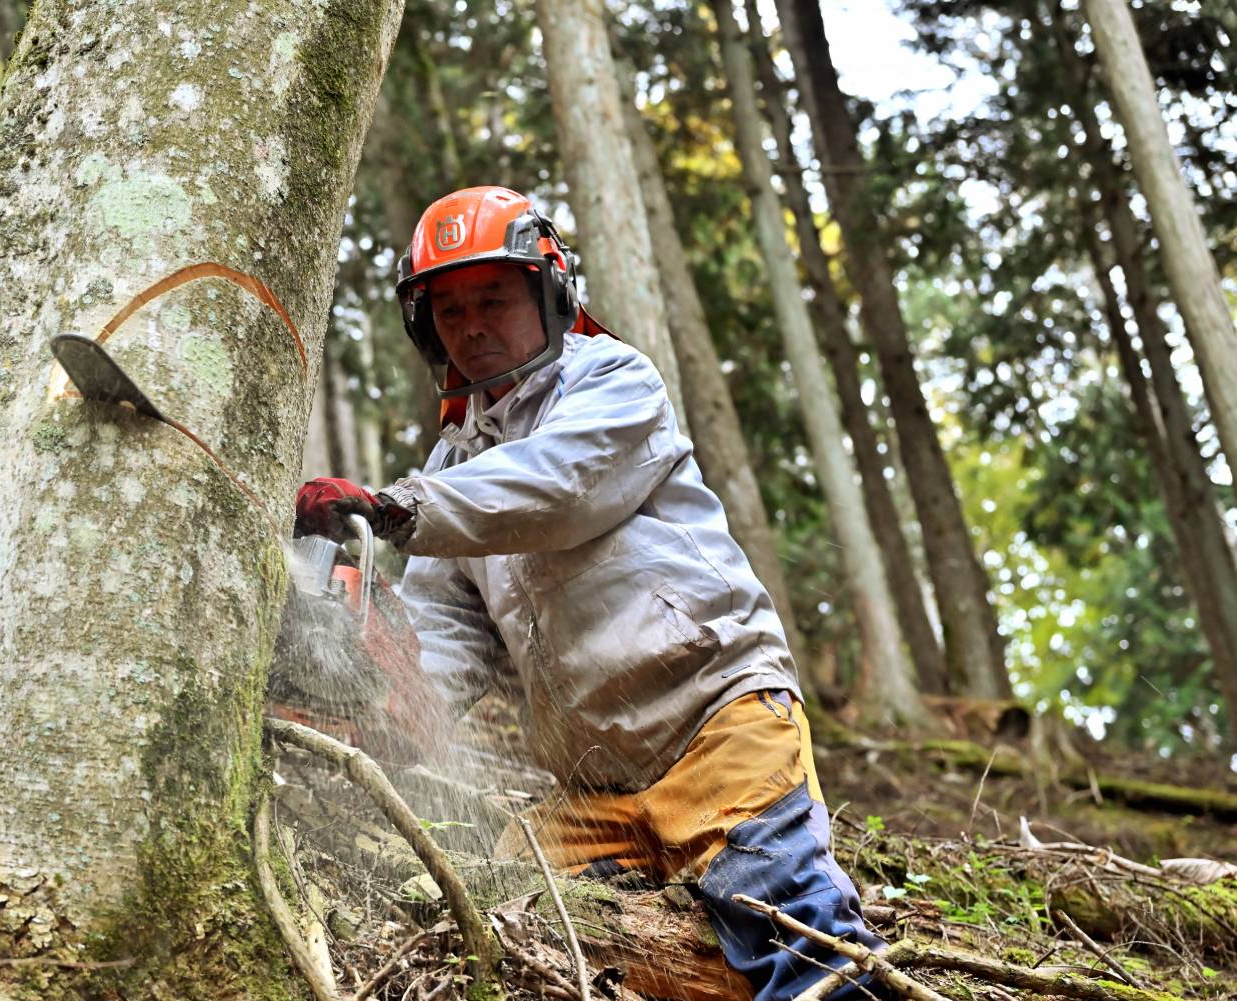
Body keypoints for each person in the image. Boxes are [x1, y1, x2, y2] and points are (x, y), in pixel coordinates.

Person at [294, 186, 885, 1001]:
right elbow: (444, 639)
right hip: (595, 789)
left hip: (716, 724)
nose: (472, 324)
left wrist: (394, 509)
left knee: (794, 928)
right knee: (518, 921)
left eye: (493, 297)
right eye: (451, 308)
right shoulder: (451, 468)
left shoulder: (611, 379)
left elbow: (559, 487)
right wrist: (368, 690)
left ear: (550, 288)